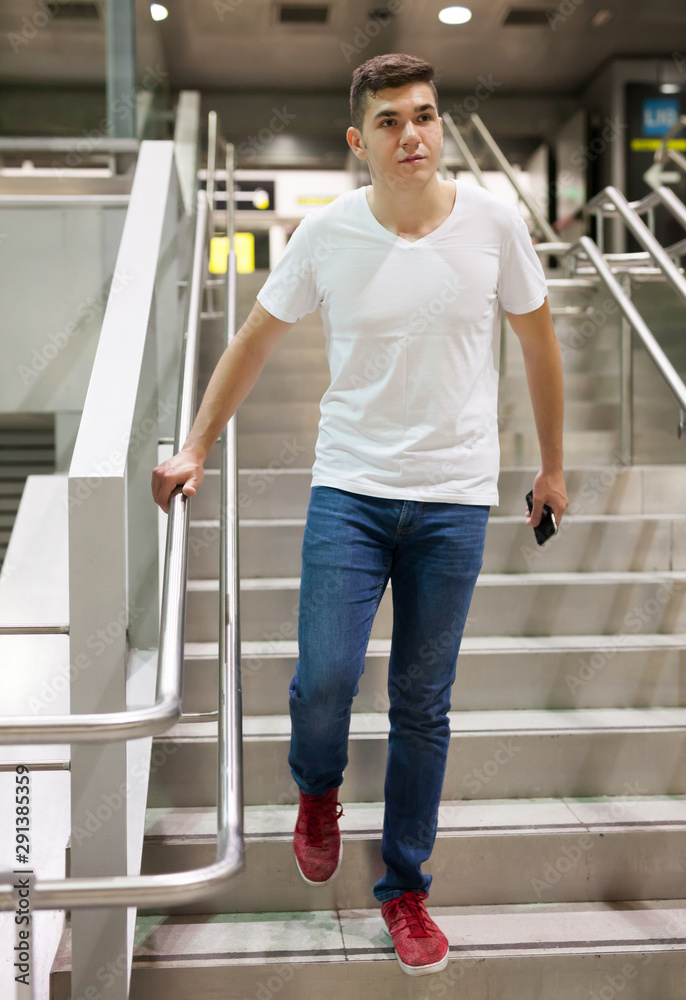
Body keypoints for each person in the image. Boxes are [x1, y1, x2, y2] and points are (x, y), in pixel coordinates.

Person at [151, 52, 569, 978]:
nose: (411, 133)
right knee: (325, 679)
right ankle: (317, 789)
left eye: (423, 115)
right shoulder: (329, 234)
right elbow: (254, 341)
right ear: (359, 141)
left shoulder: (496, 224)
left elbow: (539, 345)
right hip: (351, 490)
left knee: (423, 704)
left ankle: (405, 888)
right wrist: (195, 446)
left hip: (456, 498)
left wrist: (550, 467)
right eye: (389, 121)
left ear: (440, 125)